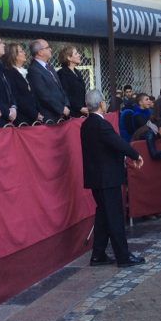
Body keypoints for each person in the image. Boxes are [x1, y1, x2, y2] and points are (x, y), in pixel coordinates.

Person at [81, 89, 145, 267]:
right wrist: (135, 155)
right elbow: (118, 143)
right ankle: (123, 257)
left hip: (96, 178)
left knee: (103, 216)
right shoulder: (101, 124)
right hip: (107, 178)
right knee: (115, 217)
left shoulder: (86, 124)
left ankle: (98, 254)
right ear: (101, 104)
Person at [27, 39, 69, 123]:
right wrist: (61, 108)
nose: (50, 49)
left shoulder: (49, 67)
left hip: (62, 115)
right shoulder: (34, 70)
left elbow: (60, 88)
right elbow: (43, 94)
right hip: (49, 117)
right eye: (47, 47)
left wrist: (66, 105)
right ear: (40, 52)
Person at [2, 43, 42, 125]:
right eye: (21, 51)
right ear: (13, 55)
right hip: (22, 119)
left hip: (33, 117)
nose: (24, 53)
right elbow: (17, 97)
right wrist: (34, 114)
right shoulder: (9, 73)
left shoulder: (24, 72)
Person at [56, 45, 88, 118]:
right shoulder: (62, 73)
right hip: (71, 113)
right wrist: (79, 108)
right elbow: (65, 95)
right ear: (69, 58)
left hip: (82, 112)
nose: (79, 55)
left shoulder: (77, 72)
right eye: (76, 53)